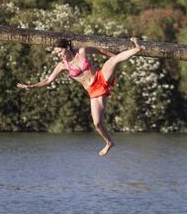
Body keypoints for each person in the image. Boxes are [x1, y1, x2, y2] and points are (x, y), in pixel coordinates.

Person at [17, 38, 145, 156]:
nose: (59, 55)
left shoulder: (82, 51)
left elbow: (100, 50)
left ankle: (137, 48)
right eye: (57, 53)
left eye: (60, 51)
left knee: (113, 61)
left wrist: (115, 57)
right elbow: (49, 79)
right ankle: (109, 143)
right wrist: (32, 86)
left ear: (67, 47)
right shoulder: (62, 65)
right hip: (93, 91)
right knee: (97, 123)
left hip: (100, 77)